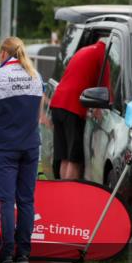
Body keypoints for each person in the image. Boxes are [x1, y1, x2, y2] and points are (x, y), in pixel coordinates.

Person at [0, 36, 44, 263]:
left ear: (2, 53)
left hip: (6, 147)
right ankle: (23, 255)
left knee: (5, 201)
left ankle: (5, 256)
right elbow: (38, 115)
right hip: (31, 145)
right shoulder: (36, 76)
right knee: (27, 200)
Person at [49, 38, 108, 179]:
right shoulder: (103, 55)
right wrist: (100, 109)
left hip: (57, 103)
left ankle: (62, 195)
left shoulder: (83, 50)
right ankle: (70, 195)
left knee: (64, 157)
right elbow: (106, 88)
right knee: (74, 159)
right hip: (73, 107)